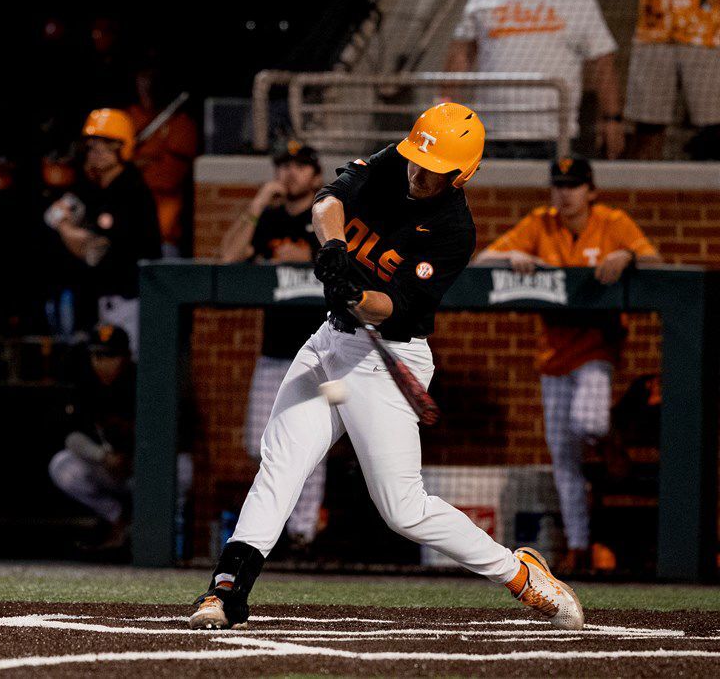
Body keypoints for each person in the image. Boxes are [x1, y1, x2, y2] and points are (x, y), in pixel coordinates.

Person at [189, 103, 584, 632]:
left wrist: (353, 290)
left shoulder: (452, 232)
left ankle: (519, 573)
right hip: (331, 342)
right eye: (417, 160)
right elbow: (329, 200)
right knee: (280, 462)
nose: (419, 173)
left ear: (462, 174)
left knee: (403, 509)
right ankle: (226, 591)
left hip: (388, 356)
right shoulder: (397, 160)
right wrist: (334, 248)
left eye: (434, 168)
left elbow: (391, 308)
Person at [475, 155, 661, 573]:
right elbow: (482, 261)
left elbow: (656, 263)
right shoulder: (540, 222)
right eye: (559, 184)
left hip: (597, 346)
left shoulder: (612, 222)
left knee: (589, 423)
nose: (565, 192)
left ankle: (608, 440)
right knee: (564, 457)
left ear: (590, 190)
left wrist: (628, 256)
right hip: (554, 353)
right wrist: (514, 260)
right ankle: (579, 547)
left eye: (574, 185)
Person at [218, 141, 327, 553]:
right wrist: (259, 200)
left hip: (323, 353)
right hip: (274, 351)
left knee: (312, 442)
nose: (290, 172)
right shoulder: (272, 217)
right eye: (284, 165)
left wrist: (306, 258)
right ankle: (279, 527)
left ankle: (304, 530)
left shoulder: (326, 215)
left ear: (315, 175)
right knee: (257, 443)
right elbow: (229, 257)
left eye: (300, 165)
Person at [49, 324, 192, 552]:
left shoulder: (146, 383)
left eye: (109, 356)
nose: (101, 363)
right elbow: (72, 437)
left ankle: (158, 532)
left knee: (184, 469)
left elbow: (173, 437)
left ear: (126, 356)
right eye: (96, 355)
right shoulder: (86, 383)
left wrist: (136, 459)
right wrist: (104, 457)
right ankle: (118, 517)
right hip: (109, 468)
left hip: (145, 472)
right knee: (61, 465)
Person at [445, 0, 624, 159]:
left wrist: (612, 119)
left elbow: (603, 61)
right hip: (491, 133)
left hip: (555, 136)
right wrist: (445, 111)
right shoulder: (482, 0)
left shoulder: (577, 1)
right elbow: (461, 54)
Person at [45, 109, 161, 353]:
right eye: (91, 146)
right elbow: (53, 213)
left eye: (103, 145)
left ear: (121, 148)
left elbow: (94, 251)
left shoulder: (131, 190)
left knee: (129, 371)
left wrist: (65, 227)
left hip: (133, 301)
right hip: (104, 301)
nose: (95, 153)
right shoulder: (96, 188)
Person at [624, 0, 720, 160]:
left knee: (713, 131)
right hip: (654, 29)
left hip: (706, 32)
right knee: (648, 128)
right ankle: (643, 183)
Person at [128, 66, 198, 257]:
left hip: (165, 232)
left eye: (151, 80)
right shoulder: (131, 116)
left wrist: (139, 160)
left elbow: (169, 176)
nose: (146, 86)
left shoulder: (180, 122)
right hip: (128, 228)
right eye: (142, 79)